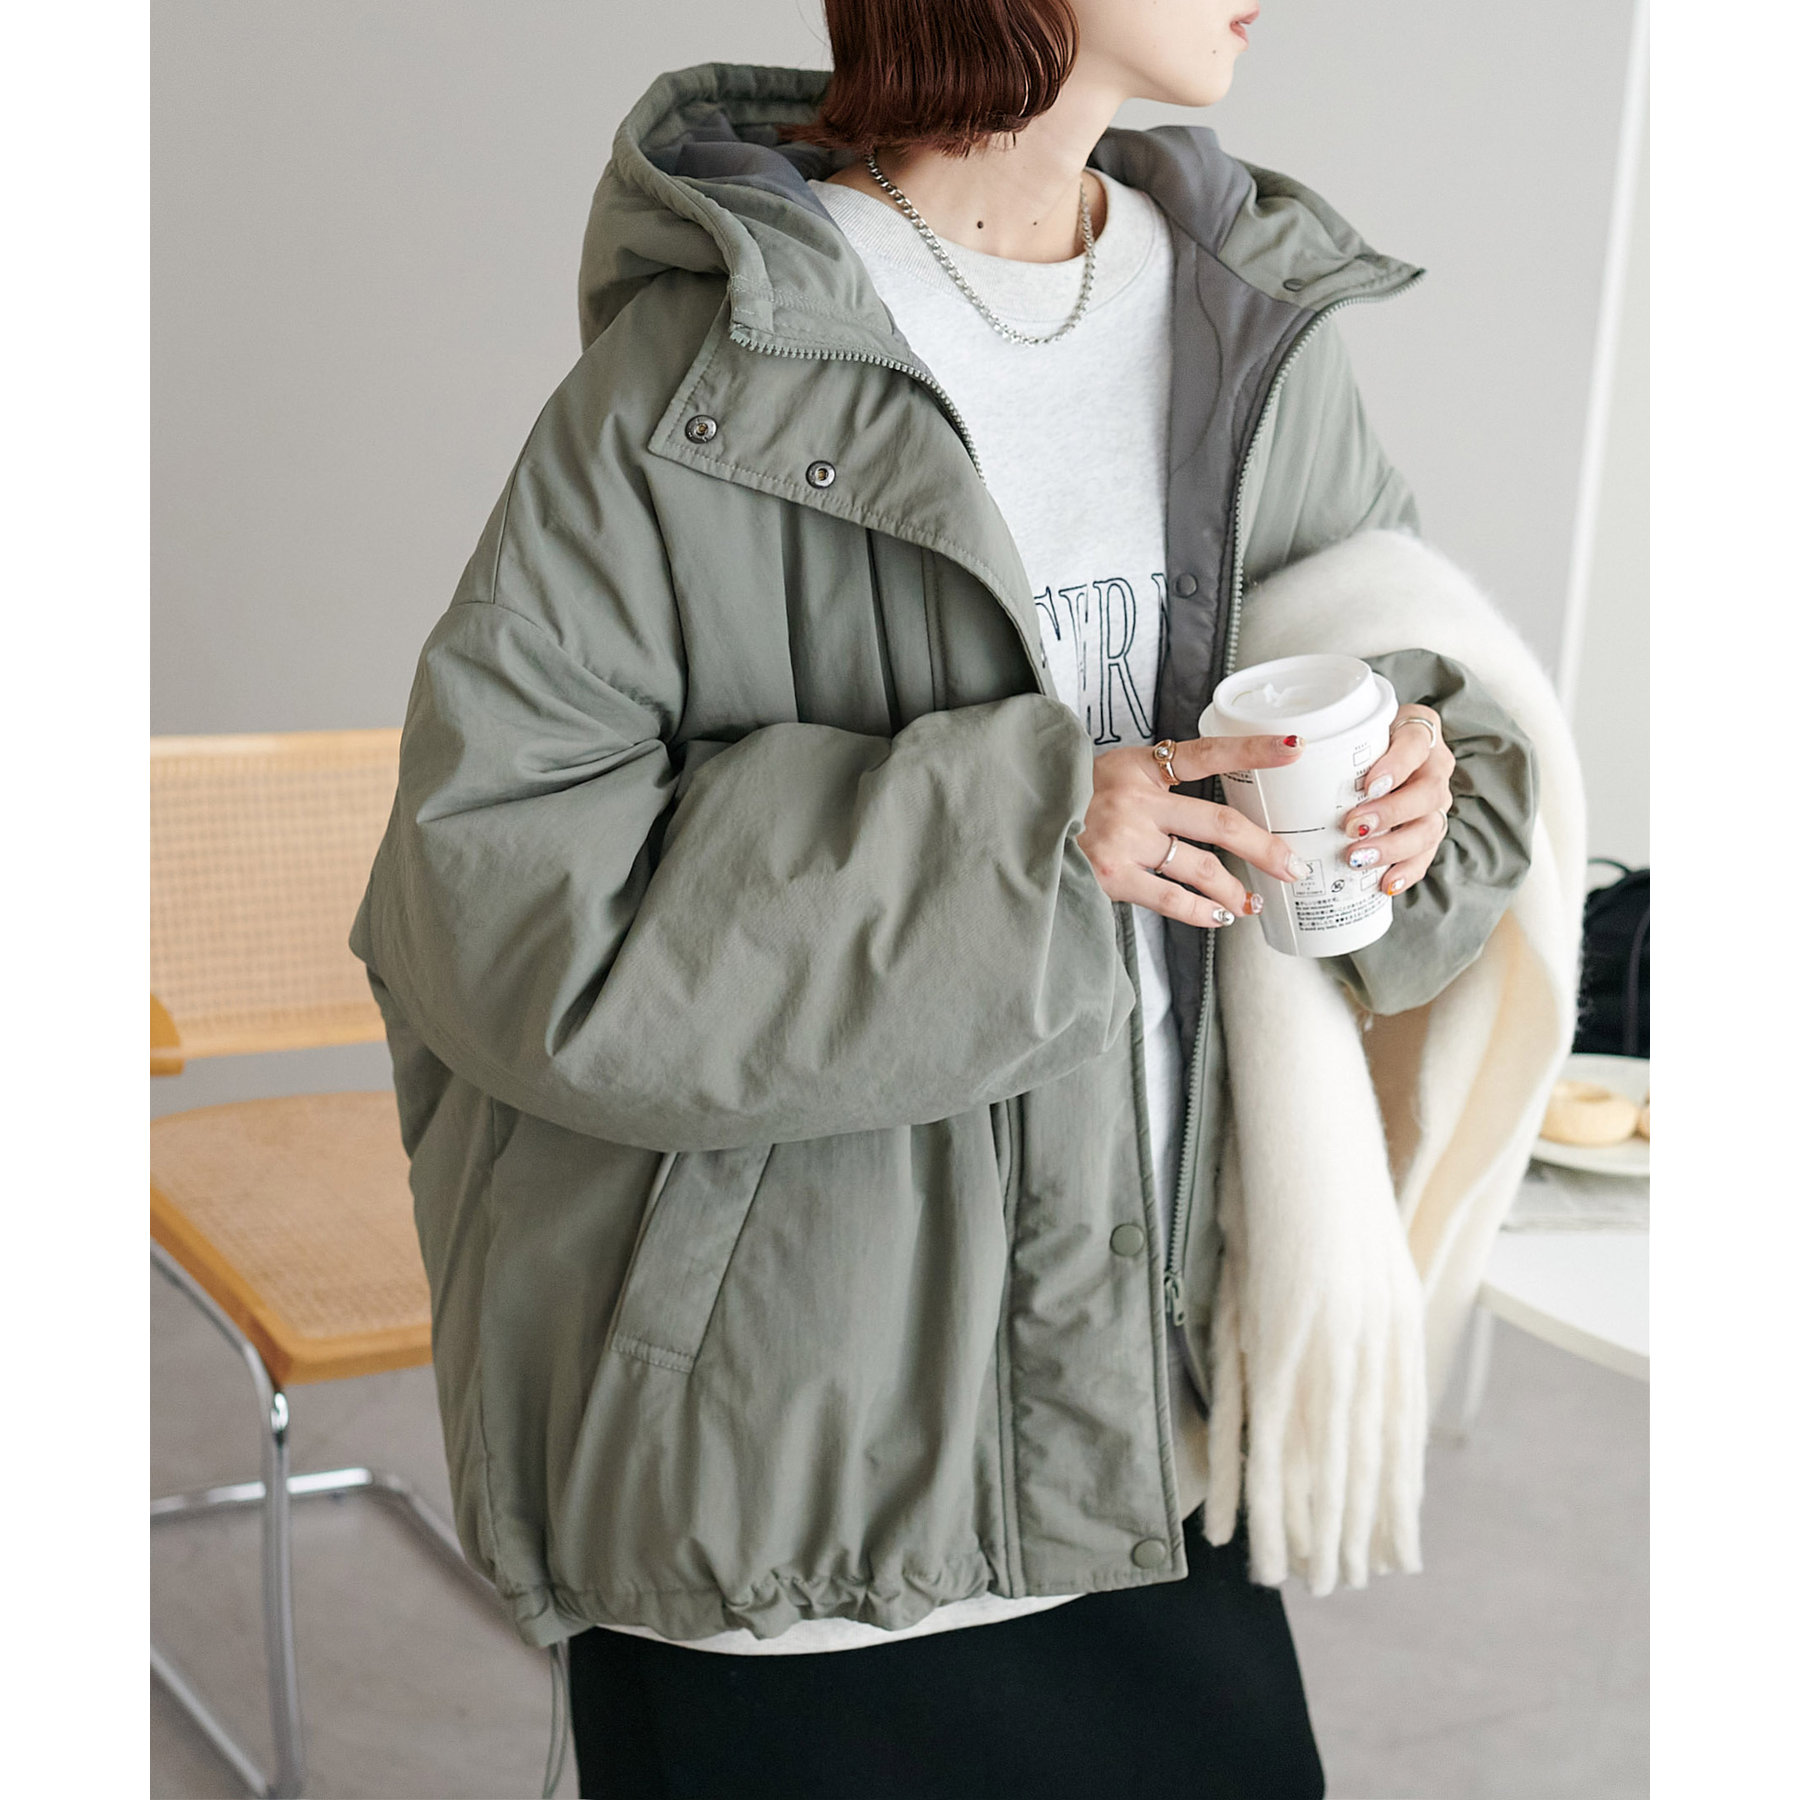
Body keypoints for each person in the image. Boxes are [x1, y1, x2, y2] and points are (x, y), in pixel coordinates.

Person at [352, 3, 1540, 1794]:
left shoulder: (1253, 331)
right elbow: (498, 906)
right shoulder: (705, 369)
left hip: (1150, 1434)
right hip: (789, 1470)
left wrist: (1416, 791)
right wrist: (1025, 838)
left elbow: (1430, 728)